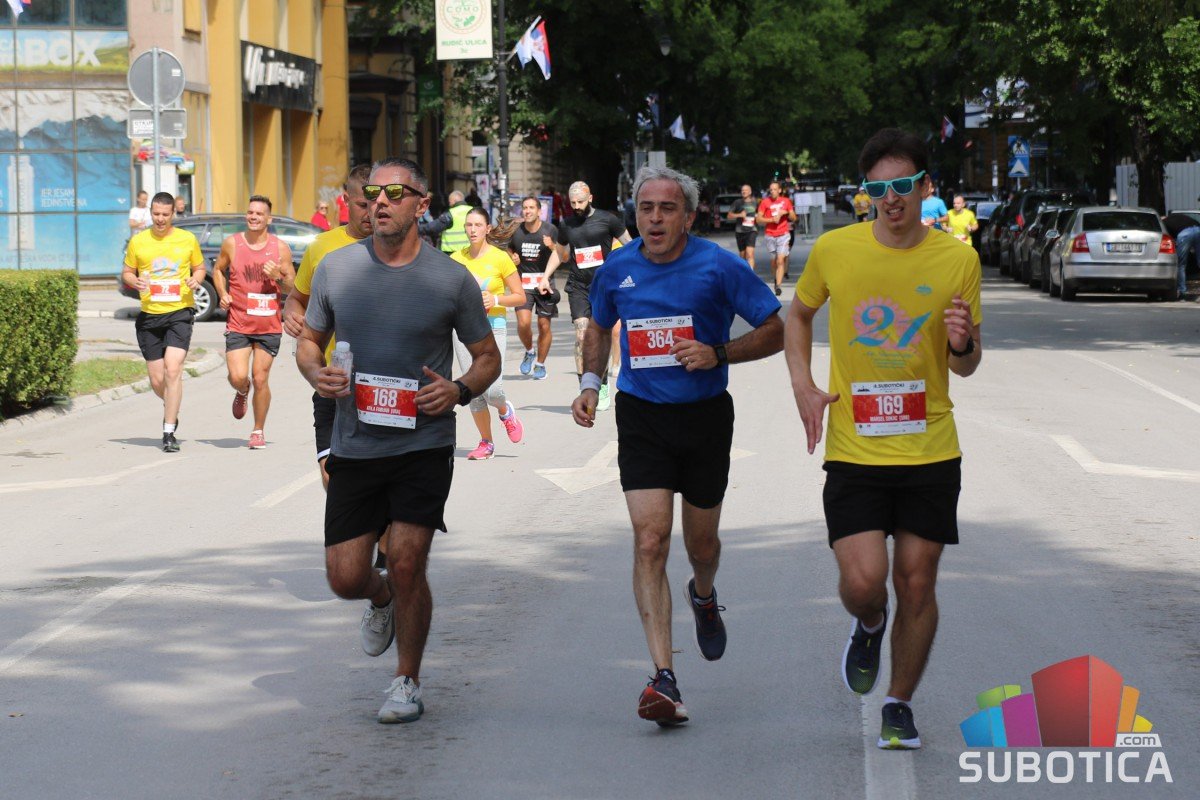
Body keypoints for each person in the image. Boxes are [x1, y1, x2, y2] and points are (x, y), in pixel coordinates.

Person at [784, 128, 982, 751]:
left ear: (926, 187)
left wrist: (961, 344)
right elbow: (798, 314)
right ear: (865, 194)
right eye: (877, 189)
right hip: (855, 448)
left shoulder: (958, 259)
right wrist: (803, 385)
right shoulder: (836, 250)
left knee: (917, 583)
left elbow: (967, 364)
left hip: (930, 448)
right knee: (866, 583)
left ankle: (899, 703)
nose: (890, 198)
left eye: (902, 185)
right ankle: (870, 623)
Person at [571, 165, 783, 726]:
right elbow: (599, 326)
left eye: (667, 209)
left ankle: (704, 594)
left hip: (705, 417)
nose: (655, 218)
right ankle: (664, 676)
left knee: (702, 545)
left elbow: (776, 329)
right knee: (649, 540)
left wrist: (719, 352)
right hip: (642, 415)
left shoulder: (719, 266)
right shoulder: (617, 268)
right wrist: (590, 384)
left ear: (688, 216)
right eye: (646, 208)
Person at [297, 157, 500, 724]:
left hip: (423, 444)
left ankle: (406, 680)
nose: (379, 202)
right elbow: (309, 343)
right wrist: (316, 373)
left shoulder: (450, 279)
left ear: (421, 204)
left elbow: (487, 357)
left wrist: (458, 390)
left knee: (408, 561)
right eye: (372, 193)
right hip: (356, 443)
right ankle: (379, 597)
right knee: (345, 578)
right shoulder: (337, 268)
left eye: (393, 193)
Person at [284, 164, 374, 490]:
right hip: (334, 379)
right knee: (331, 476)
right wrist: (291, 312)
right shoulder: (321, 246)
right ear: (346, 201)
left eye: (376, 204)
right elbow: (297, 297)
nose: (370, 212)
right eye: (362, 204)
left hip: (382, 383)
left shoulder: (396, 247)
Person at [120, 192, 205, 453]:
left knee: (173, 370)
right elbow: (127, 272)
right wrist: (134, 281)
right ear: (151, 213)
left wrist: (196, 279)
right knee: (158, 381)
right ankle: (172, 407)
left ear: (172, 214)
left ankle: (169, 432)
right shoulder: (139, 241)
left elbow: (200, 268)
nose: (160, 219)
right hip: (150, 315)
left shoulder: (187, 239)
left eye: (165, 215)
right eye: (156, 214)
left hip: (180, 312)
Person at [212, 195, 294, 449]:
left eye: (259, 213)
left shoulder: (280, 248)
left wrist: (278, 276)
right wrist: (222, 293)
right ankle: (241, 390)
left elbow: (292, 287)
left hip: (269, 326)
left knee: (260, 378)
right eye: (250, 212)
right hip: (238, 322)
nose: (254, 217)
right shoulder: (232, 243)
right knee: (238, 376)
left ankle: (258, 430)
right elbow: (218, 270)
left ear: (269, 219)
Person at [449, 207, 527, 460]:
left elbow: (520, 297)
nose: (472, 230)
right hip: (463, 330)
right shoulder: (456, 259)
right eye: (469, 225)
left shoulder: (500, 258)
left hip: (493, 327)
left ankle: (505, 410)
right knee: (471, 388)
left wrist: (495, 299)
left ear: (487, 229)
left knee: (493, 390)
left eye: (478, 225)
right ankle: (486, 443)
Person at [550, 181, 631, 410]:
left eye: (580, 202)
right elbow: (559, 254)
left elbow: (630, 245)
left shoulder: (608, 220)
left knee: (601, 334)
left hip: (604, 286)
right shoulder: (566, 225)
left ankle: (602, 384)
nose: (576, 206)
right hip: (578, 286)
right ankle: (586, 387)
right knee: (581, 334)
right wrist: (545, 276)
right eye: (573, 202)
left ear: (590, 198)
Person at [509, 195, 561, 379]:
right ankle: (530, 351)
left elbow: (562, 255)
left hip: (544, 283)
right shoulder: (516, 230)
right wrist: (512, 256)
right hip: (523, 283)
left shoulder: (550, 230)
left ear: (539, 211)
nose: (527, 211)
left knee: (543, 325)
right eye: (525, 208)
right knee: (523, 323)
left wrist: (552, 246)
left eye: (531, 208)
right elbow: (508, 248)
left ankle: (540, 364)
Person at [756, 181, 796, 296]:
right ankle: (775, 279)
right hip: (770, 235)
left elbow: (794, 218)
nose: (772, 191)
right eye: (771, 190)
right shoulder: (765, 202)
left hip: (783, 234)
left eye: (775, 189)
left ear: (779, 190)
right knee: (773, 262)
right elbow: (758, 219)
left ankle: (778, 285)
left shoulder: (786, 201)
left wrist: (785, 212)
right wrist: (771, 220)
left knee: (780, 260)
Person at [1162, 211, 1199, 300]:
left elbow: (1169, 239)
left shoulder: (1164, 223)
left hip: (1185, 234)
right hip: (1198, 229)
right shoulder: (1176, 216)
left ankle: (1182, 292)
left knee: (1181, 265)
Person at [727, 184, 759, 268]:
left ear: (750, 192)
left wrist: (758, 216)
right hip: (740, 231)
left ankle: (750, 273)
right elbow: (729, 215)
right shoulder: (737, 202)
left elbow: (761, 213)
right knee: (742, 255)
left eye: (746, 190)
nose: (744, 192)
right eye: (742, 190)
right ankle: (743, 271)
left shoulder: (755, 202)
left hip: (752, 230)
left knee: (750, 254)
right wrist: (740, 215)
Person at [438, 190, 471, 254]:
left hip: (451, 253)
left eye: (450, 202)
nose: (449, 204)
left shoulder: (450, 213)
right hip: (469, 252)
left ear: (454, 201)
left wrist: (419, 229)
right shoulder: (473, 210)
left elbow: (434, 227)